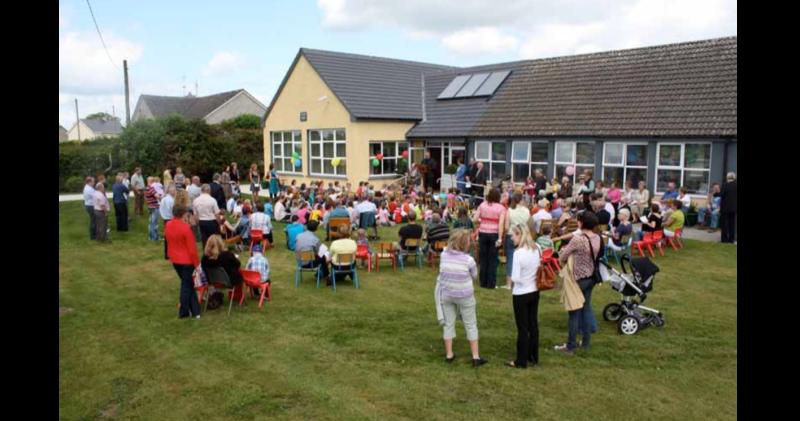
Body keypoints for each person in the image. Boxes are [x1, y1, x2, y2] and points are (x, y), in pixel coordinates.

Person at [434, 229, 488, 367]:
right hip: (465, 295)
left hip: (447, 294)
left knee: (448, 323)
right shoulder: (469, 260)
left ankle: (449, 354)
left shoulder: (444, 255)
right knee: (470, 324)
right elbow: (475, 275)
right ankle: (475, 357)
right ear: (465, 244)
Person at [555, 211, 603, 355]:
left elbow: (563, 256)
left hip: (578, 279)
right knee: (586, 308)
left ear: (581, 223)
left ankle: (570, 346)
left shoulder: (578, 239)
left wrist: (564, 256)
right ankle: (586, 342)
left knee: (574, 312)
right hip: (591, 277)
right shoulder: (598, 238)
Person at [505, 224, 541, 368]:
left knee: (522, 327)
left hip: (521, 292)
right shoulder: (537, 248)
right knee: (533, 324)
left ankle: (521, 360)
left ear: (519, 235)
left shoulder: (519, 253)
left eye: (513, 235)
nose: (512, 238)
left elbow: (515, 277)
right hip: (534, 290)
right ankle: (533, 355)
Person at [164, 205, 201, 319]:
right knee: (186, 285)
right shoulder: (186, 228)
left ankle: (195, 311)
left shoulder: (168, 225)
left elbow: (167, 240)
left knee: (188, 284)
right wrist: (197, 265)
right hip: (186, 261)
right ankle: (183, 311)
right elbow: (192, 250)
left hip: (175, 259)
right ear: (183, 214)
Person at [473, 188, 505, 289]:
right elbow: (501, 224)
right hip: (494, 234)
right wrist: (500, 238)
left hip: (483, 233)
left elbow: (474, 219)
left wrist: (481, 221)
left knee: (483, 258)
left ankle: (483, 282)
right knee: (492, 259)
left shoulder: (482, 205)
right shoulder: (501, 208)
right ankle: (491, 283)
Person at [502, 193, 531, 290]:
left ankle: (509, 284)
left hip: (512, 235)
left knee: (510, 259)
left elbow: (506, 227)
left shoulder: (510, 210)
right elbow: (529, 224)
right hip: (523, 235)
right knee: (523, 258)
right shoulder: (527, 211)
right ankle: (522, 280)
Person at [193, 184, 220, 248]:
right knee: (213, 239)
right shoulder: (212, 200)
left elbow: (195, 215)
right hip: (211, 221)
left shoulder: (196, 200)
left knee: (204, 238)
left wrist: (197, 223)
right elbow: (216, 213)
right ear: (209, 190)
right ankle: (213, 250)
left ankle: (206, 251)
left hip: (202, 221)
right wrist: (219, 222)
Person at [720, 172, 737, 243]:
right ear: (734, 178)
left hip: (725, 208)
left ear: (727, 178)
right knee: (732, 224)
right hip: (733, 208)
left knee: (724, 224)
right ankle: (731, 239)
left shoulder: (725, 185)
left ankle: (724, 239)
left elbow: (722, 195)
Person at [145, 177, 162, 241]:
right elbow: (157, 196)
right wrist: (161, 196)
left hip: (150, 206)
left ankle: (151, 237)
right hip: (154, 207)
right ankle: (154, 237)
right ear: (152, 181)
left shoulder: (146, 188)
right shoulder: (151, 188)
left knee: (151, 223)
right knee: (154, 223)